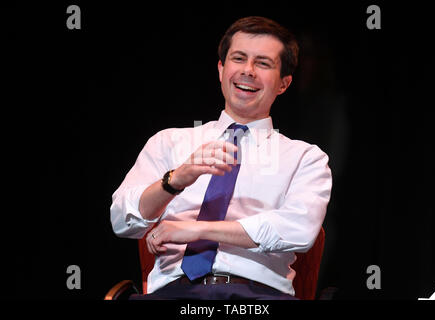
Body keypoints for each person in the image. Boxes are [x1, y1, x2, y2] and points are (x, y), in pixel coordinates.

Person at [110, 16, 332, 300]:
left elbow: (299, 230)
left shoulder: (305, 157)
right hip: (172, 293)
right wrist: (176, 180)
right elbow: (121, 221)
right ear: (221, 69)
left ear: (284, 84)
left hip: (257, 297)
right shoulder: (168, 142)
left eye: (263, 63)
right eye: (239, 59)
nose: (248, 71)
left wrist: (196, 230)